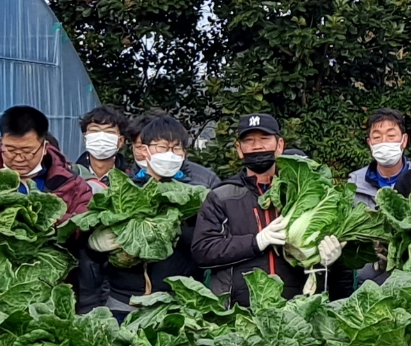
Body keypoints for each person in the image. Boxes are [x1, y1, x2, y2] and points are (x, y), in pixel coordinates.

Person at [187, 112, 345, 305]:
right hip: (237, 311)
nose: (257, 146)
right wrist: (255, 242)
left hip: (297, 306)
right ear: (239, 149)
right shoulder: (221, 196)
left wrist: (327, 260)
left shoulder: (303, 192)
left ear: (280, 145)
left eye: (264, 139)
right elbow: (203, 251)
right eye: (249, 140)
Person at [75, 114, 213, 311]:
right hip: (124, 299)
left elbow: (206, 246)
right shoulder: (121, 190)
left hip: (178, 298)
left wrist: (173, 231)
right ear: (145, 150)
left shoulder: (198, 195)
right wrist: (94, 245)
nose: (169, 154)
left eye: (176, 148)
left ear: (184, 153)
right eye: (162, 147)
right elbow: (91, 251)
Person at [0, 105, 94, 220]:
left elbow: (81, 226)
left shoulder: (73, 184)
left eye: (27, 151)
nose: (19, 158)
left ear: (44, 147)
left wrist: (45, 222)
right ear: (2, 142)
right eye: (11, 150)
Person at [350, 109, 411, 207]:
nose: (384, 141)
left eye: (391, 136)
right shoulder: (355, 184)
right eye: (377, 137)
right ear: (369, 143)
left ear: (404, 140)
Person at [74, 106, 131, 193]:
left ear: (120, 141)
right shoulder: (72, 176)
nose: (101, 137)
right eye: (95, 130)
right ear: (85, 139)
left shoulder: (130, 180)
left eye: (109, 132)